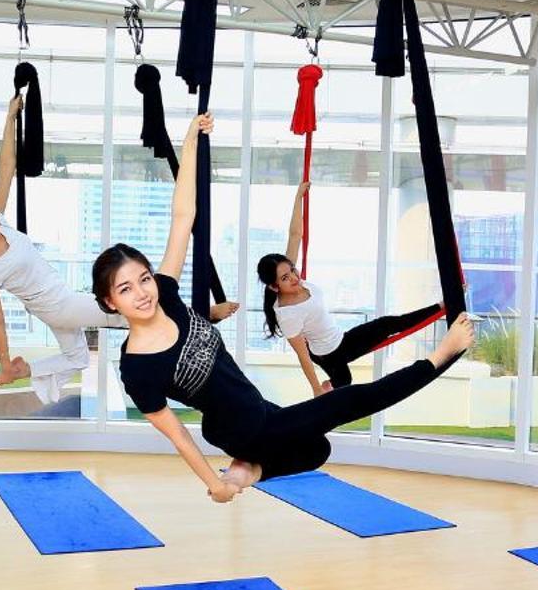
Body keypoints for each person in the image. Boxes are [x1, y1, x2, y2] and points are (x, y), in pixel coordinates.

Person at [98, 113, 475, 504]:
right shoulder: (137, 367)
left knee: (317, 451)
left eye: (143, 278)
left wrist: (190, 140)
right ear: (111, 302)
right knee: (354, 401)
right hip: (240, 426)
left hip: (257, 407)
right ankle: (440, 354)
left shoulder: (167, 294)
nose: (142, 292)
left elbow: (183, 217)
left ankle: (249, 469)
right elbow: (177, 433)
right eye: (126, 289)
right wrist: (214, 483)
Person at [0, 95, 236, 405]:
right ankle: (200, 313)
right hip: (59, 305)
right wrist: (3, 360)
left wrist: (10, 117)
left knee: (77, 357)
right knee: (126, 310)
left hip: (52, 304)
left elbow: (6, 168)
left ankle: (26, 371)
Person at [257, 179, 441, 394]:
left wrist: (298, 197)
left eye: (292, 271)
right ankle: (326, 391)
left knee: (388, 324)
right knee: (345, 380)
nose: (294, 278)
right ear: (274, 286)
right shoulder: (288, 315)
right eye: (285, 278)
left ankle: (440, 306)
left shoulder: (289, 276)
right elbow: (303, 357)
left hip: (339, 338)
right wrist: (316, 388)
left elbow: (295, 235)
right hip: (329, 353)